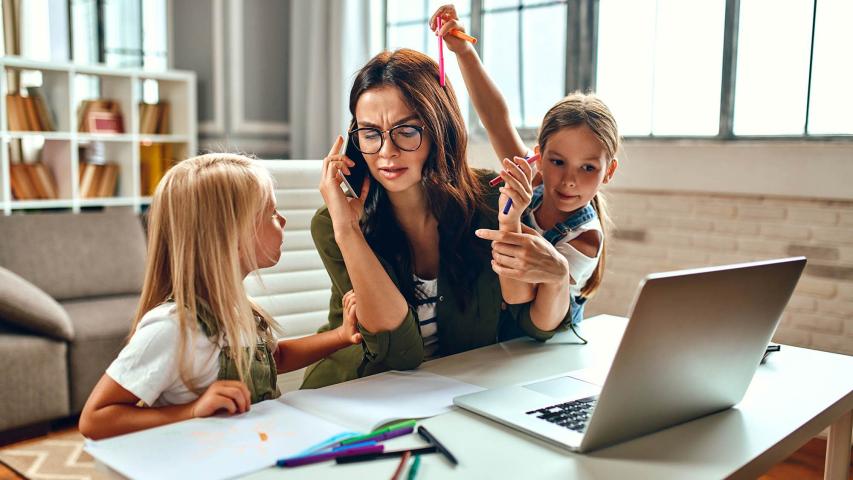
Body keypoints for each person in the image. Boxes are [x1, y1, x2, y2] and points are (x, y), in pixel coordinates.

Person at [304, 48, 573, 389]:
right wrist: (348, 230)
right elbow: (397, 354)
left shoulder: (489, 203)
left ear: (439, 129)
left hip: (456, 394)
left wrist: (558, 277)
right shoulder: (335, 224)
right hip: (355, 394)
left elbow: (532, 329)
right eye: (370, 133)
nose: (387, 151)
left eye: (406, 131)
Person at [78, 154, 362, 440]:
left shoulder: (238, 310)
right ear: (232, 236)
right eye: (271, 213)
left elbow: (275, 358)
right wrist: (192, 410)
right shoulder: (172, 328)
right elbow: (96, 418)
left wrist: (340, 336)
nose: (283, 220)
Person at [432, 5, 620, 326]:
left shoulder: (586, 237)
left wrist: (513, 220)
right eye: (558, 162)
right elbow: (495, 118)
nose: (569, 180)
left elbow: (530, 305)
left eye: (588, 168)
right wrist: (463, 51)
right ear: (538, 156)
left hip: (548, 348)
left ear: (609, 172)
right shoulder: (532, 178)